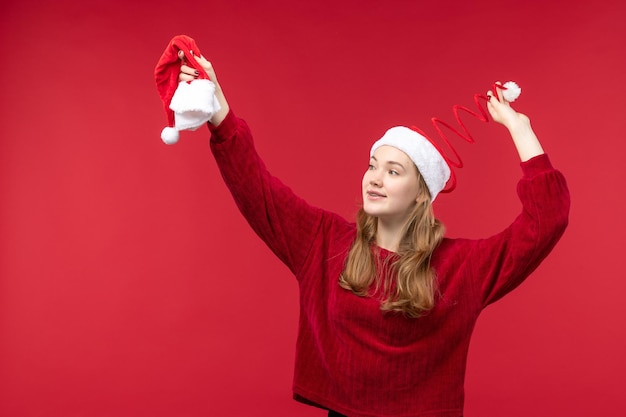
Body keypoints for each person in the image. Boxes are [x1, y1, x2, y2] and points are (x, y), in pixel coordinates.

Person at [178, 53, 570, 417]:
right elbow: (255, 188)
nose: (375, 179)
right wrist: (218, 109)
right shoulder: (325, 241)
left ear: (421, 194)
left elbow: (546, 219)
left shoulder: (462, 267)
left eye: (394, 171)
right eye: (372, 165)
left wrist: (520, 128)